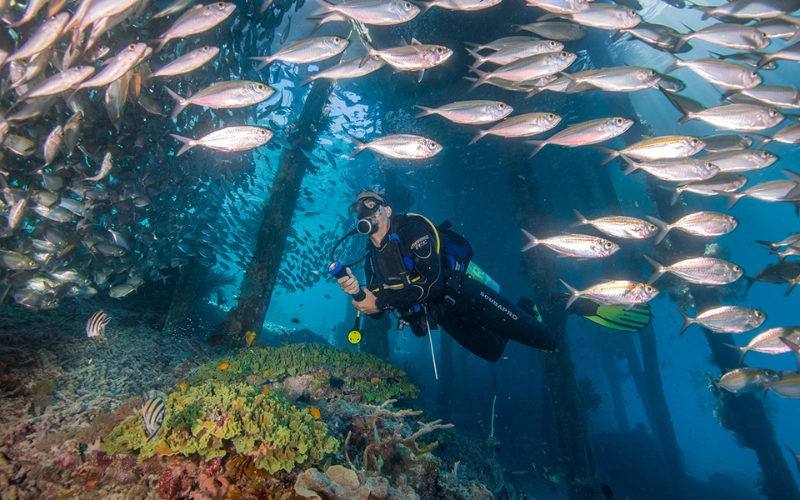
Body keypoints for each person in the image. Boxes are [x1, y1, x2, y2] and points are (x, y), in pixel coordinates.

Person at [336, 190, 560, 362]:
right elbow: (376, 311)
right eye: (358, 207)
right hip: (443, 314)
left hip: (466, 296)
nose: (364, 210)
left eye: (371, 203)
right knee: (492, 352)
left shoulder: (412, 231)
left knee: (550, 341)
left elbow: (433, 285)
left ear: (387, 210)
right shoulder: (371, 261)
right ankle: (525, 308)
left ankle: (567, 303)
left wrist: (381, 302)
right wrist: (357, 294)